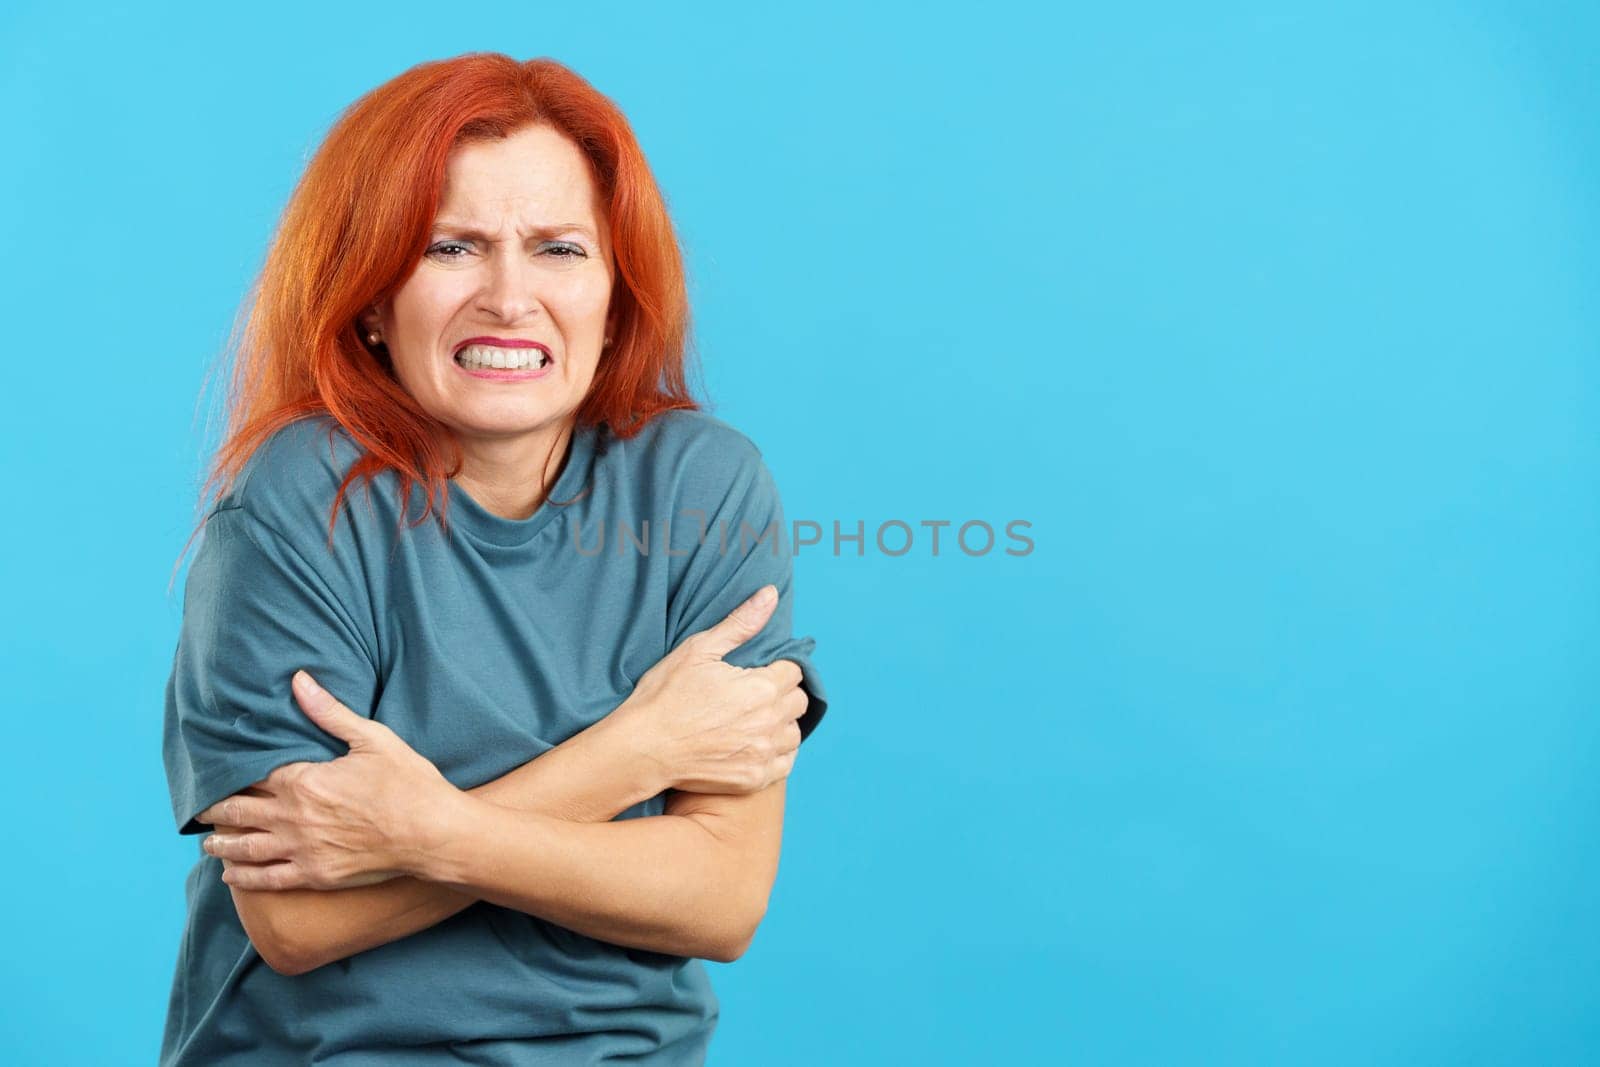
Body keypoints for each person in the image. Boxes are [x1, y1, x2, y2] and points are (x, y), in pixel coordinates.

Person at [159, 52, 829, 1066]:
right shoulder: (299, 500)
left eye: (560, 248)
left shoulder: (703, 486)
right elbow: (298, 923)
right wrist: (635, 752)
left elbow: (722, 898)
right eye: (450, 248)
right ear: (372, 298)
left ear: (614, 294)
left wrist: (422, 831)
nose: (509, 298)